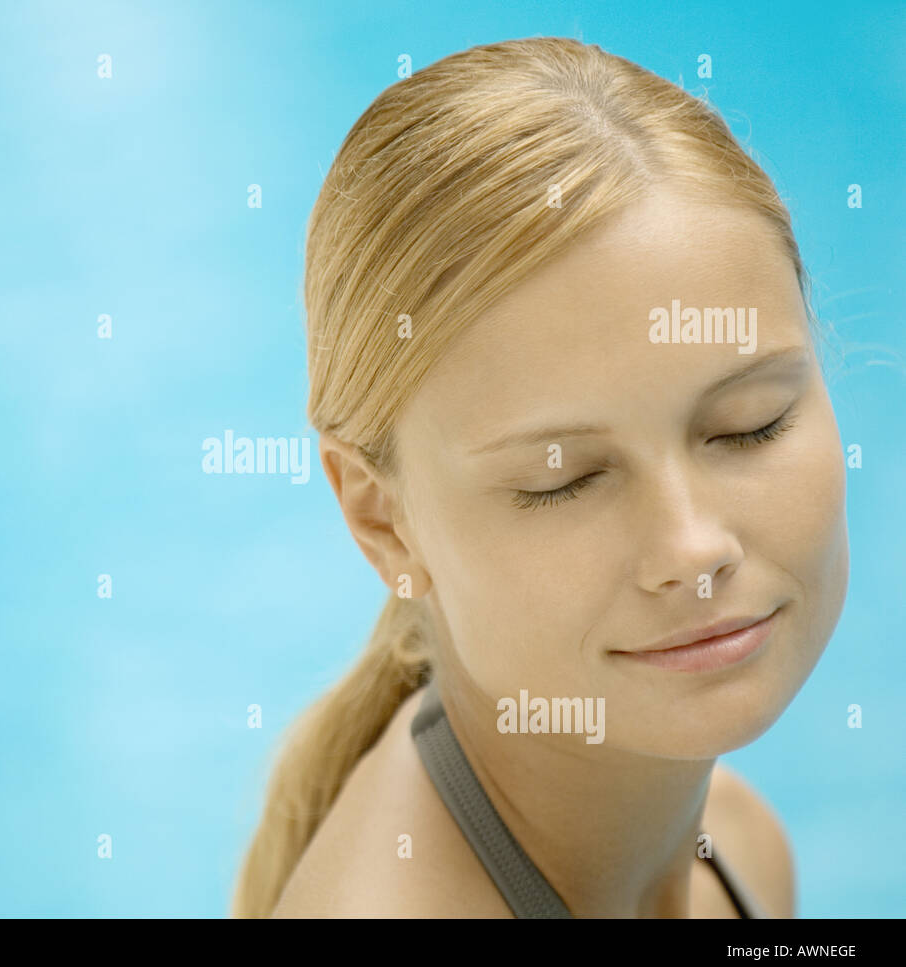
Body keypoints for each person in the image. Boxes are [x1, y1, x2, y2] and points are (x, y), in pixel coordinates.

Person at [232, 36, 849, 918]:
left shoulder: (734, 846)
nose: (693, 545)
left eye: (749, 425)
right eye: (563, 479)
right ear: (383, 521)